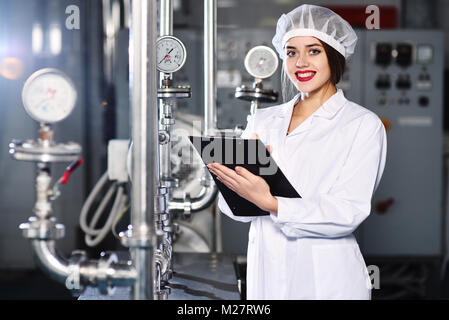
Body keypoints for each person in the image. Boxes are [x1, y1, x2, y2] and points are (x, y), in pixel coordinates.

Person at [207, 4, 387, 300]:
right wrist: (228, 178)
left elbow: (348, 211)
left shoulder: (362, 125)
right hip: (266, 275)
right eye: (291, 52)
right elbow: (235, 210)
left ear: (334, 55)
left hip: (327, 280)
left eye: (313, 51)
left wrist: (271, 201)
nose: (301, 62)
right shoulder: (263, 120)